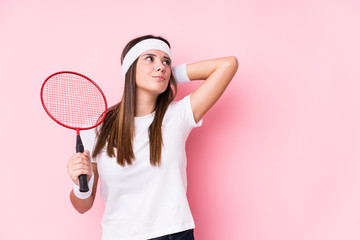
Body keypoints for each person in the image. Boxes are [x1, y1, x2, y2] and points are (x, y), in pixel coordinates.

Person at [67, 34, 238, 240]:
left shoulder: (178, 116)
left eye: (166, 61)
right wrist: (79, 185)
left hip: (174, 234)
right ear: (130, 68)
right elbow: (83, 206)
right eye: (149, 58)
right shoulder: (96, 127)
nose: (161, 66)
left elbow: (228, 65)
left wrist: (168, 75)